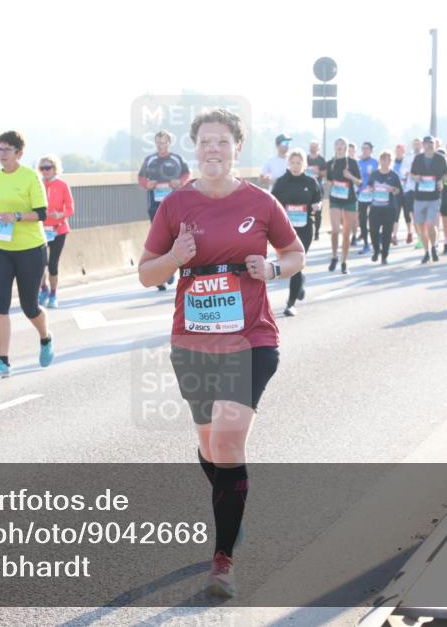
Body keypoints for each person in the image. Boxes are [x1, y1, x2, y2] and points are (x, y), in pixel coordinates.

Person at [138, 108, 304, 598]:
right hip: (192, 341)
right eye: (205, 142)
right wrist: (176, 258)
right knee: (211, 447)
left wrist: (273, 270)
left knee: (229, 443)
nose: (213, 149)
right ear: (196, 148)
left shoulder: (261, 201)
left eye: (222, 142)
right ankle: (229, 504)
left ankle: (223, 560)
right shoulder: (175, 204)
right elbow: (147, 272)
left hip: (251, 337)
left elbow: (295, 254)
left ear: (237, 148)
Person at [0, 131, 55, 380]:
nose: (1, 154)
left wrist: (18, 217)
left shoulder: (31, 177)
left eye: (6, 149)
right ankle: (3, 362)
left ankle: (45, 337)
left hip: (30, 249)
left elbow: (42, 213)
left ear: (19, 153)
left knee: (29, 306)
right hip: (1, 249)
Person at [271, 148, 321, 316]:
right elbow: (272, 204)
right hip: (286, 229)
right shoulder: (281, 182)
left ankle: (290, 304)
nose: (295, 166)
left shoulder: (311, 182)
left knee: (296, 263)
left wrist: (317, 207)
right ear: (288, 163)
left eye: (298, 163)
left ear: (304, 164)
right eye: (292, 162)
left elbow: (318, 202)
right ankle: (300, 282)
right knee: (293, 266)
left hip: (305, 227)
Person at [139, 130, 191, 291]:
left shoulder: (177, 159)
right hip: (155, 205)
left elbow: (187, 175)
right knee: (159, 240)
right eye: (158, 143)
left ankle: (169, 270)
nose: (161, 146)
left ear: (169, 143)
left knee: (174, 238)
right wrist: (147, 185)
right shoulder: (149, 160)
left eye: (164, 143)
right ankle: (161, 276)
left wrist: (179, 182)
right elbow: (141, 179)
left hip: (175, 206)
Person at [36, 154, 75, 308]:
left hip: (58, 230)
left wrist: (62, 214)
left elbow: (71, 208)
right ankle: (43, 289)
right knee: (39, 264)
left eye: (48, 168)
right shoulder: (37, 184)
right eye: (42, 168)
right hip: (40, 230)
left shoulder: (62, 185)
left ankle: (53, 294)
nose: (45, 171)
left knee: (52, 264)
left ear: (55, 168)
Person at [409, 135, 447, 264]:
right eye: (426, 143)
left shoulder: (440, 158)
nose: (428, 145)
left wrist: (442, 181)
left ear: (434, 145)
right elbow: (411, 174)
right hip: (419, 197)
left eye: (431, 143)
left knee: (431, 224)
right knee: (420, 226)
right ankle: (426, 252)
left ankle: (434, 247)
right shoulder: (418, 158)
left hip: (434, 197)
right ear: (423, 145)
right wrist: (415, 178)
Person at [324, 137, 362, 274]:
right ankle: (334, 256)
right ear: (334, 147)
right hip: (335, 199)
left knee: (346, 234)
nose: (339, 146)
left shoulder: (352, 163)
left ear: (346, 148)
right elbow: (328, 180)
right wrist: (328, 184)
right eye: (337, 144)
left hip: (350, 200)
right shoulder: (330, 163)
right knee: (335, 230)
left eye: (342, 144)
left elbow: (359, 182)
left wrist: (350, 176)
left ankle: (344, 261)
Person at [367, 150, 402, 264]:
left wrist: (392, 190)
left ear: (390, 161)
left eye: (386, 160)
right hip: (375, 208)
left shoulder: (394, 175)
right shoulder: (374, 174)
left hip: (389, 208)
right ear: (379, 161)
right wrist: (371, 189)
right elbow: (369, 186)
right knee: (373, 231)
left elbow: (399, 191)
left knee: (387, 233)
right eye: (382, 159)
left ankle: (384, 256)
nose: (384, 162)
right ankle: (376, 251)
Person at [356, 142, 378, 254]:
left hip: (373, 195)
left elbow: (378, 177)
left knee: (374, 220)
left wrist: (371, 184)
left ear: (371, 150)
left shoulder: (375, 163)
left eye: (367, 149)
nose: (364, 151)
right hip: (361, 195)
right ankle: (365, 244)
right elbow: (355, 178)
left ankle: (376, 241)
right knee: (362, 220)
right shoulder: (358, 163)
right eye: (363, 148)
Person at [307, 140, 328, 240]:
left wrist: (318, 172)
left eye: (315, 146)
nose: (313, 148)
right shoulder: (305, 159)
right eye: (311, 146)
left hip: (317, 186)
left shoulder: (321, 160)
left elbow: (325, 174)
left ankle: (317, 232)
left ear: (318, 148)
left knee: (318, 211)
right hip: (306, 186)